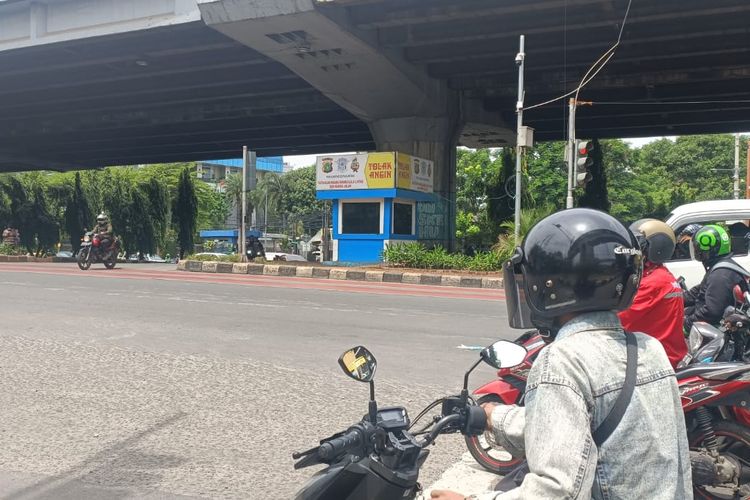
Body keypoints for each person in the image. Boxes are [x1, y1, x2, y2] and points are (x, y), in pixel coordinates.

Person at [431, 209, 691, 500]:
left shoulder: (561, 361)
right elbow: (569, 431)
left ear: (549, 286)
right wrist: (492, 417)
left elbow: (558, 491)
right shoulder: (647, 348)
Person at [618, 219, 686, 368]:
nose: (633, 250)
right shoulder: (660, 275)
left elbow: (619, 318)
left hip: (655, 360)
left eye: (639, 245)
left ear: (655, 247)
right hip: (657, 352)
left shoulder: (653, 283)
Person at [684, 224, 750, 330]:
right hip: (705, 321)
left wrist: (686, 324)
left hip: (715, 330)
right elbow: (697, 292)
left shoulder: (721, 274)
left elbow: (712, 311)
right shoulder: (720, 267)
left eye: (697, 247)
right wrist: (674, 299)